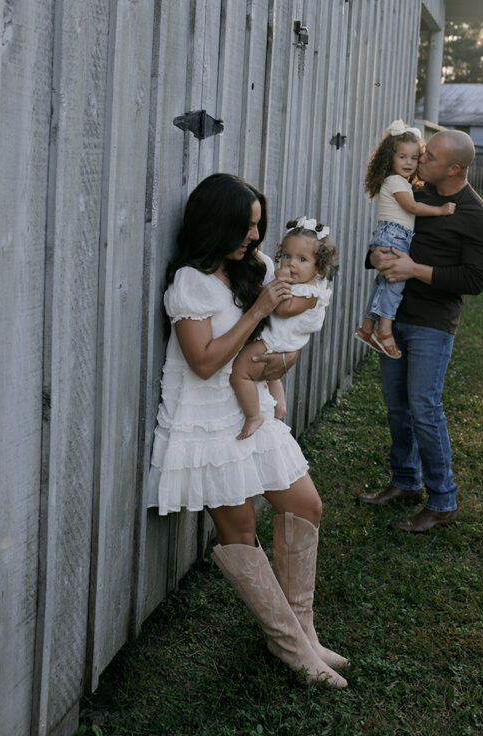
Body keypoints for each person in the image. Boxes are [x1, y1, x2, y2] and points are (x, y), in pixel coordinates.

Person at [148, 174, 348, 687]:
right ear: (218, 225)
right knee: (238, 531)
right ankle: (288, 645)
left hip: (250, 403)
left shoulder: (254, 267)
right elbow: (203, 362)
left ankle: (303, 630)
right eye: (248, 226)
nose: (256, 238)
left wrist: (285, 358)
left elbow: (291, 325)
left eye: (260, 226)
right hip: (207, 416)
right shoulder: (189, 283)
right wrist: (259, 308)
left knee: (305, 504)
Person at [358, 129, 483, 534]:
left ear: (454, 168)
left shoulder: (478, 218)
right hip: (394, 316)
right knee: (397, 406)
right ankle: (405, 482)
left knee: (424, 409)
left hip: (432, 325)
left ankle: (442, 502)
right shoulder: (414, 195)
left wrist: (414, 270)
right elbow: (388, 236)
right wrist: (375, 256)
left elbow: (475, 280)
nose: (420, 160)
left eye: (429, 156)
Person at [354, 120, 455, 359]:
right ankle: (384, 331)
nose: (409, 163)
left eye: (413, 158)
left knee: (384, 283)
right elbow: (410, 206)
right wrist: (440, 211)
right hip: (394, 235)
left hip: (392, 235)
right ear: (390, 158)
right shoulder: (395, 182)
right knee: (395, 285)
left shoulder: (399, 182)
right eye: (403, 157)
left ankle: (367, 328)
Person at [230, 216, 338, 440]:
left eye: (302, 259)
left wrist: (279, 282)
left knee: (240, 372)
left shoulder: (310, 292)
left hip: (278, 340)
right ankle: (279, 407)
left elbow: (282, 309)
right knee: (271, 376)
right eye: (287, 256)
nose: (291, 264)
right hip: (277, 338)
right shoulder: (303, 283)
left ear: (318, 266)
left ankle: (253, 416)